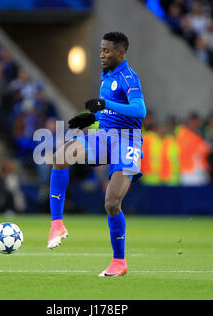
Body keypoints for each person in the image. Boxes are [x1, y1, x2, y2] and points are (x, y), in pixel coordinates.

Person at [47, 32, 146, 277]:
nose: (101, 55)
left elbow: (139, 109)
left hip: (127, 140)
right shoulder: (106, 76)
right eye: (101, 50)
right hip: (104, 136)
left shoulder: (129, 77)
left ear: (121, 53)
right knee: (61, 157)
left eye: (107, 51)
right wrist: (91, 119)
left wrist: (106, 106)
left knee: (112, 203)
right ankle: (57, 224)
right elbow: (107, 113)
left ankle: (119, 261)